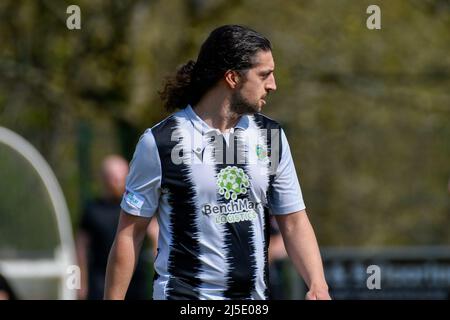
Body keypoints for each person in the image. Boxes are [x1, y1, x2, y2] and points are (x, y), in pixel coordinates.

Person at [105, 25, 330, 300]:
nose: (273, 85)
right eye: (264, 75)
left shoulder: (271, 137)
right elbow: (130, 234)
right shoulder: (160, 142)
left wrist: (318, 284)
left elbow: (293, 221)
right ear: (233, 77)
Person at [76, 155, 153, 299]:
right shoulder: (92, 210)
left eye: (123, 176)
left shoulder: (136, 207)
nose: (120, 181)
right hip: (100, 284)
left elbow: (155, 234)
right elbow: (80, 249)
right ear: (105, 179)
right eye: (115, 178)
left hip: (135, 283)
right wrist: (80, 284)